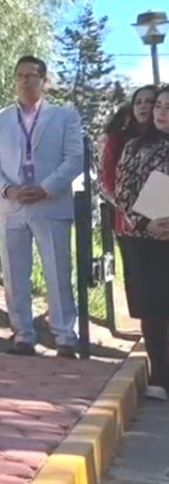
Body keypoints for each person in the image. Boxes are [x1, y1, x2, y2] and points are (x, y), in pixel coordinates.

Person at [0, 55, 84, 358]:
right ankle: (23, 335)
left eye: (32, 75)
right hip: (11, 206)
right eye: (20, 76)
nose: (26, 81)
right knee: (14, 273)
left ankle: (65, 337)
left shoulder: (65, 117)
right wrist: (7, 188)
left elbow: (74, 159)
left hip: (50, 204)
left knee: (58, 272)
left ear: (44, 80)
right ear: (15, 80)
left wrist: (46, 187)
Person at [113, 86, 169, 400]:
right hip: (145, 240)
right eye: (159, 106)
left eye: (168, 107)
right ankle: (160, 375)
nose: (161, 112)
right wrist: (147, 221)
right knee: (154, 309)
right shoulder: (136, 146)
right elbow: (123, 192)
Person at [101, 86, 158, 232]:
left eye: (149, 101)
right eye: (137, 102)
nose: (143, 106)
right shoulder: (119, 140)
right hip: (130, 220)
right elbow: (109, 183)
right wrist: (135, 215)